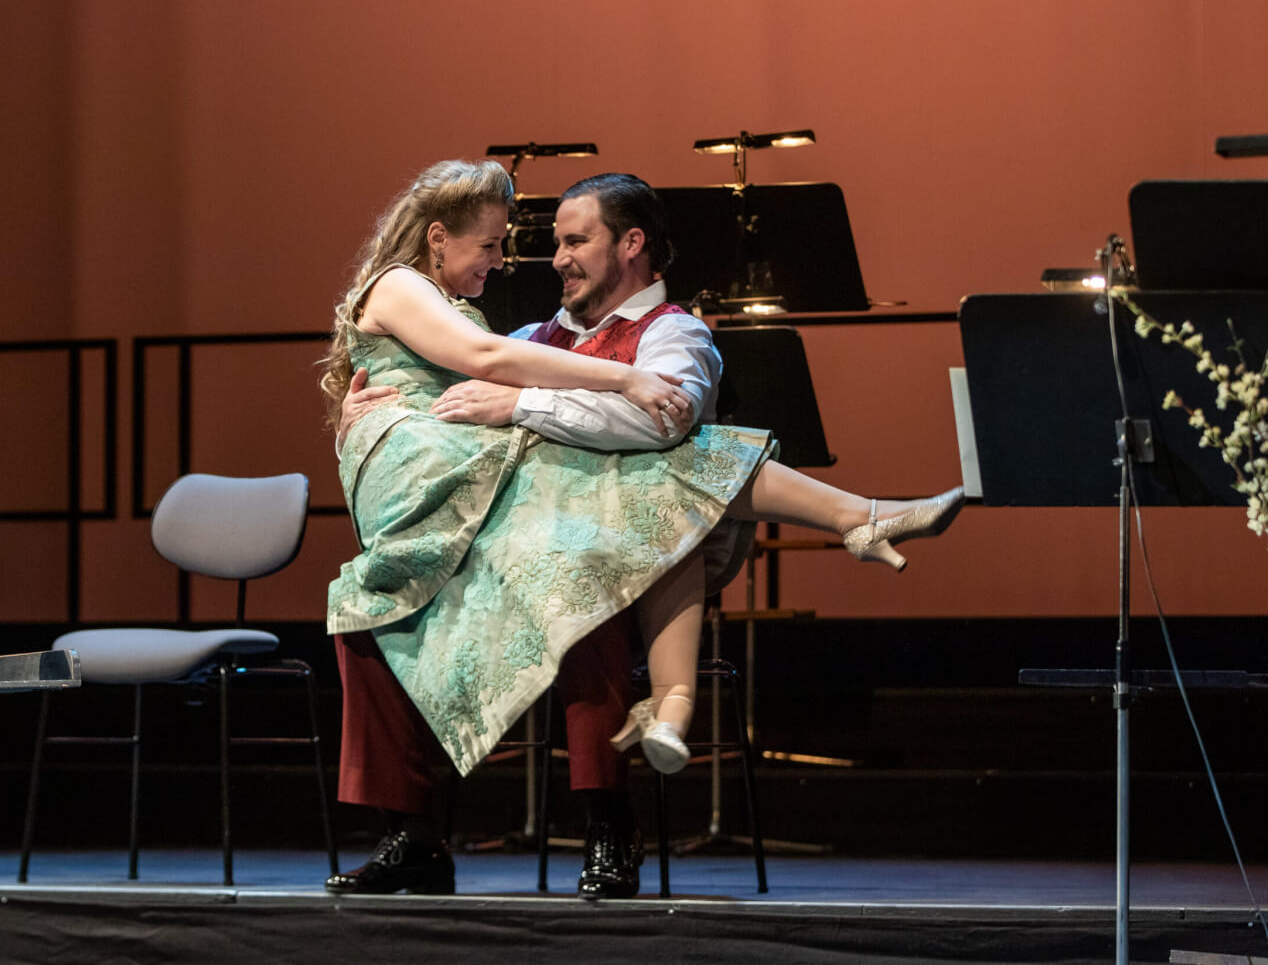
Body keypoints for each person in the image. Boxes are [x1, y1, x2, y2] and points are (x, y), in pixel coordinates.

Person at [321, 161, 962, 899]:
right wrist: (364, 414)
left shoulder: (674, 332)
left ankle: (609, 823)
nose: (548, 260)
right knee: (368, 611)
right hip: (508, 517)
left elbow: (664, 425)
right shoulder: (527, 332)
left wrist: (525, 404)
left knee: (584, 577)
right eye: (524, 245)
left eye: (574, 242)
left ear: (629, 245)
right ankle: (411, 835)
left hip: (612, 540)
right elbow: (463, 380)